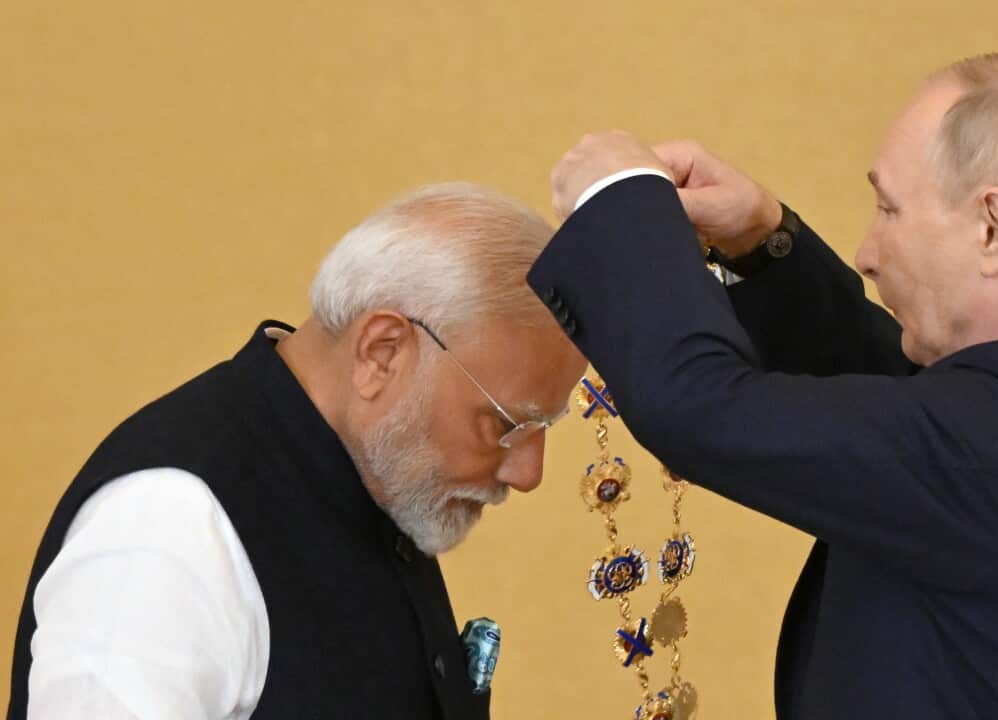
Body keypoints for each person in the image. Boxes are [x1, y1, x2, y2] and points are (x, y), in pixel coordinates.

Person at [528, 52, 998, 719]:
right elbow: (908, 405)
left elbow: (700, 407)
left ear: (994, 226)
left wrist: (617, 199)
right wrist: (762, 241)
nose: (868, 254)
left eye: (890, 210)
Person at [7, 182, 586, 719]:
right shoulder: (168, 524)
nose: (528, 471)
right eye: (505, 424)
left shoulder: (372, 480)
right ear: (382, 352)